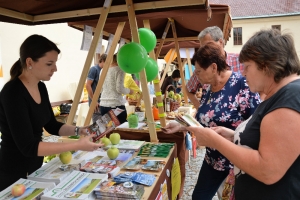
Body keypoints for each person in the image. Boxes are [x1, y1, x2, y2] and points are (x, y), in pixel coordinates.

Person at [0, 35, 103, 190]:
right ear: (29, 63)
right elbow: (28, 146)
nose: (55, 68)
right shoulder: (13, 92)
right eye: (50, 63)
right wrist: (76, 144)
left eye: (55, 63)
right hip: (13, 172)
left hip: (35, 167)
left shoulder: (41, 87)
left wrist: (80, 130)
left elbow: (52, 125)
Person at [162, 42, 260, 200]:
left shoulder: (242, 85)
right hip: (213, 160)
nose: (196, 75)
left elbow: (255, 127)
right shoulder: (208, 88)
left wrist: (233, 135)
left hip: (236, 162)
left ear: (214, 68)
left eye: (199, 71)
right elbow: (204, 120)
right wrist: (180, 126)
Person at [186, 26, 244, 109]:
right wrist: (200, 108)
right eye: (202, 47)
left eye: (207, 45)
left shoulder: (241, 61)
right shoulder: (202, 67)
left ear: (220, 42)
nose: (204, 50)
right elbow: (189, 89)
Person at [100, 54, 134, 124]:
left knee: (107, 130)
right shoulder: (120, 70)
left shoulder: (103, 70)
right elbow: (119, 88)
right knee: (121, 129)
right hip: (116, 105)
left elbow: (101, 88)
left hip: (103, 105)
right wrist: (130, 91)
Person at [86, 54, 106, 122]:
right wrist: (94, 101)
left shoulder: (104, 71)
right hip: (95, 102)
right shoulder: (94, 69)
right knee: (98, 125)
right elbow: (88, 85)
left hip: (103, 101)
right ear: (102, 61)